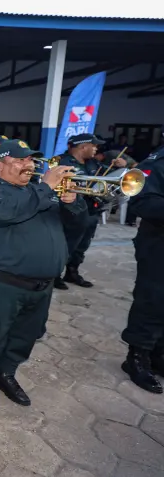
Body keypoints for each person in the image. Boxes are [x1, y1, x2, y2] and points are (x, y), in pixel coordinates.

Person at [0, 139, 87, 407]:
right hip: (2, 283)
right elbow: (8, 213)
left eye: (30, 159)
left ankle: (6, 372)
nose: (28, 165)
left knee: (26, 335)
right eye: (20, 160)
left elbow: (77, 226)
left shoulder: (39, 191)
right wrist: (46, 187)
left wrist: (72, 203)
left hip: (41, 285)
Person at [120, 143, 164, 394]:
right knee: (152, 301)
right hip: (158, 245)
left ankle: (158, 354)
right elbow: (142, 202)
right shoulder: (156, 163)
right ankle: (137, 358)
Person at [56, 133, 126, 290]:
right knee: (66, 244)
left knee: (83, 244)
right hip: (71, 213)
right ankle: (55, 275)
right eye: (94, 146)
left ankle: (72, 272)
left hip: (91, 210)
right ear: (83, 146)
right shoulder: (62, 162)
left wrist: (118, 167)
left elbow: (107, 178)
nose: (96, 149)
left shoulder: (93, 163)